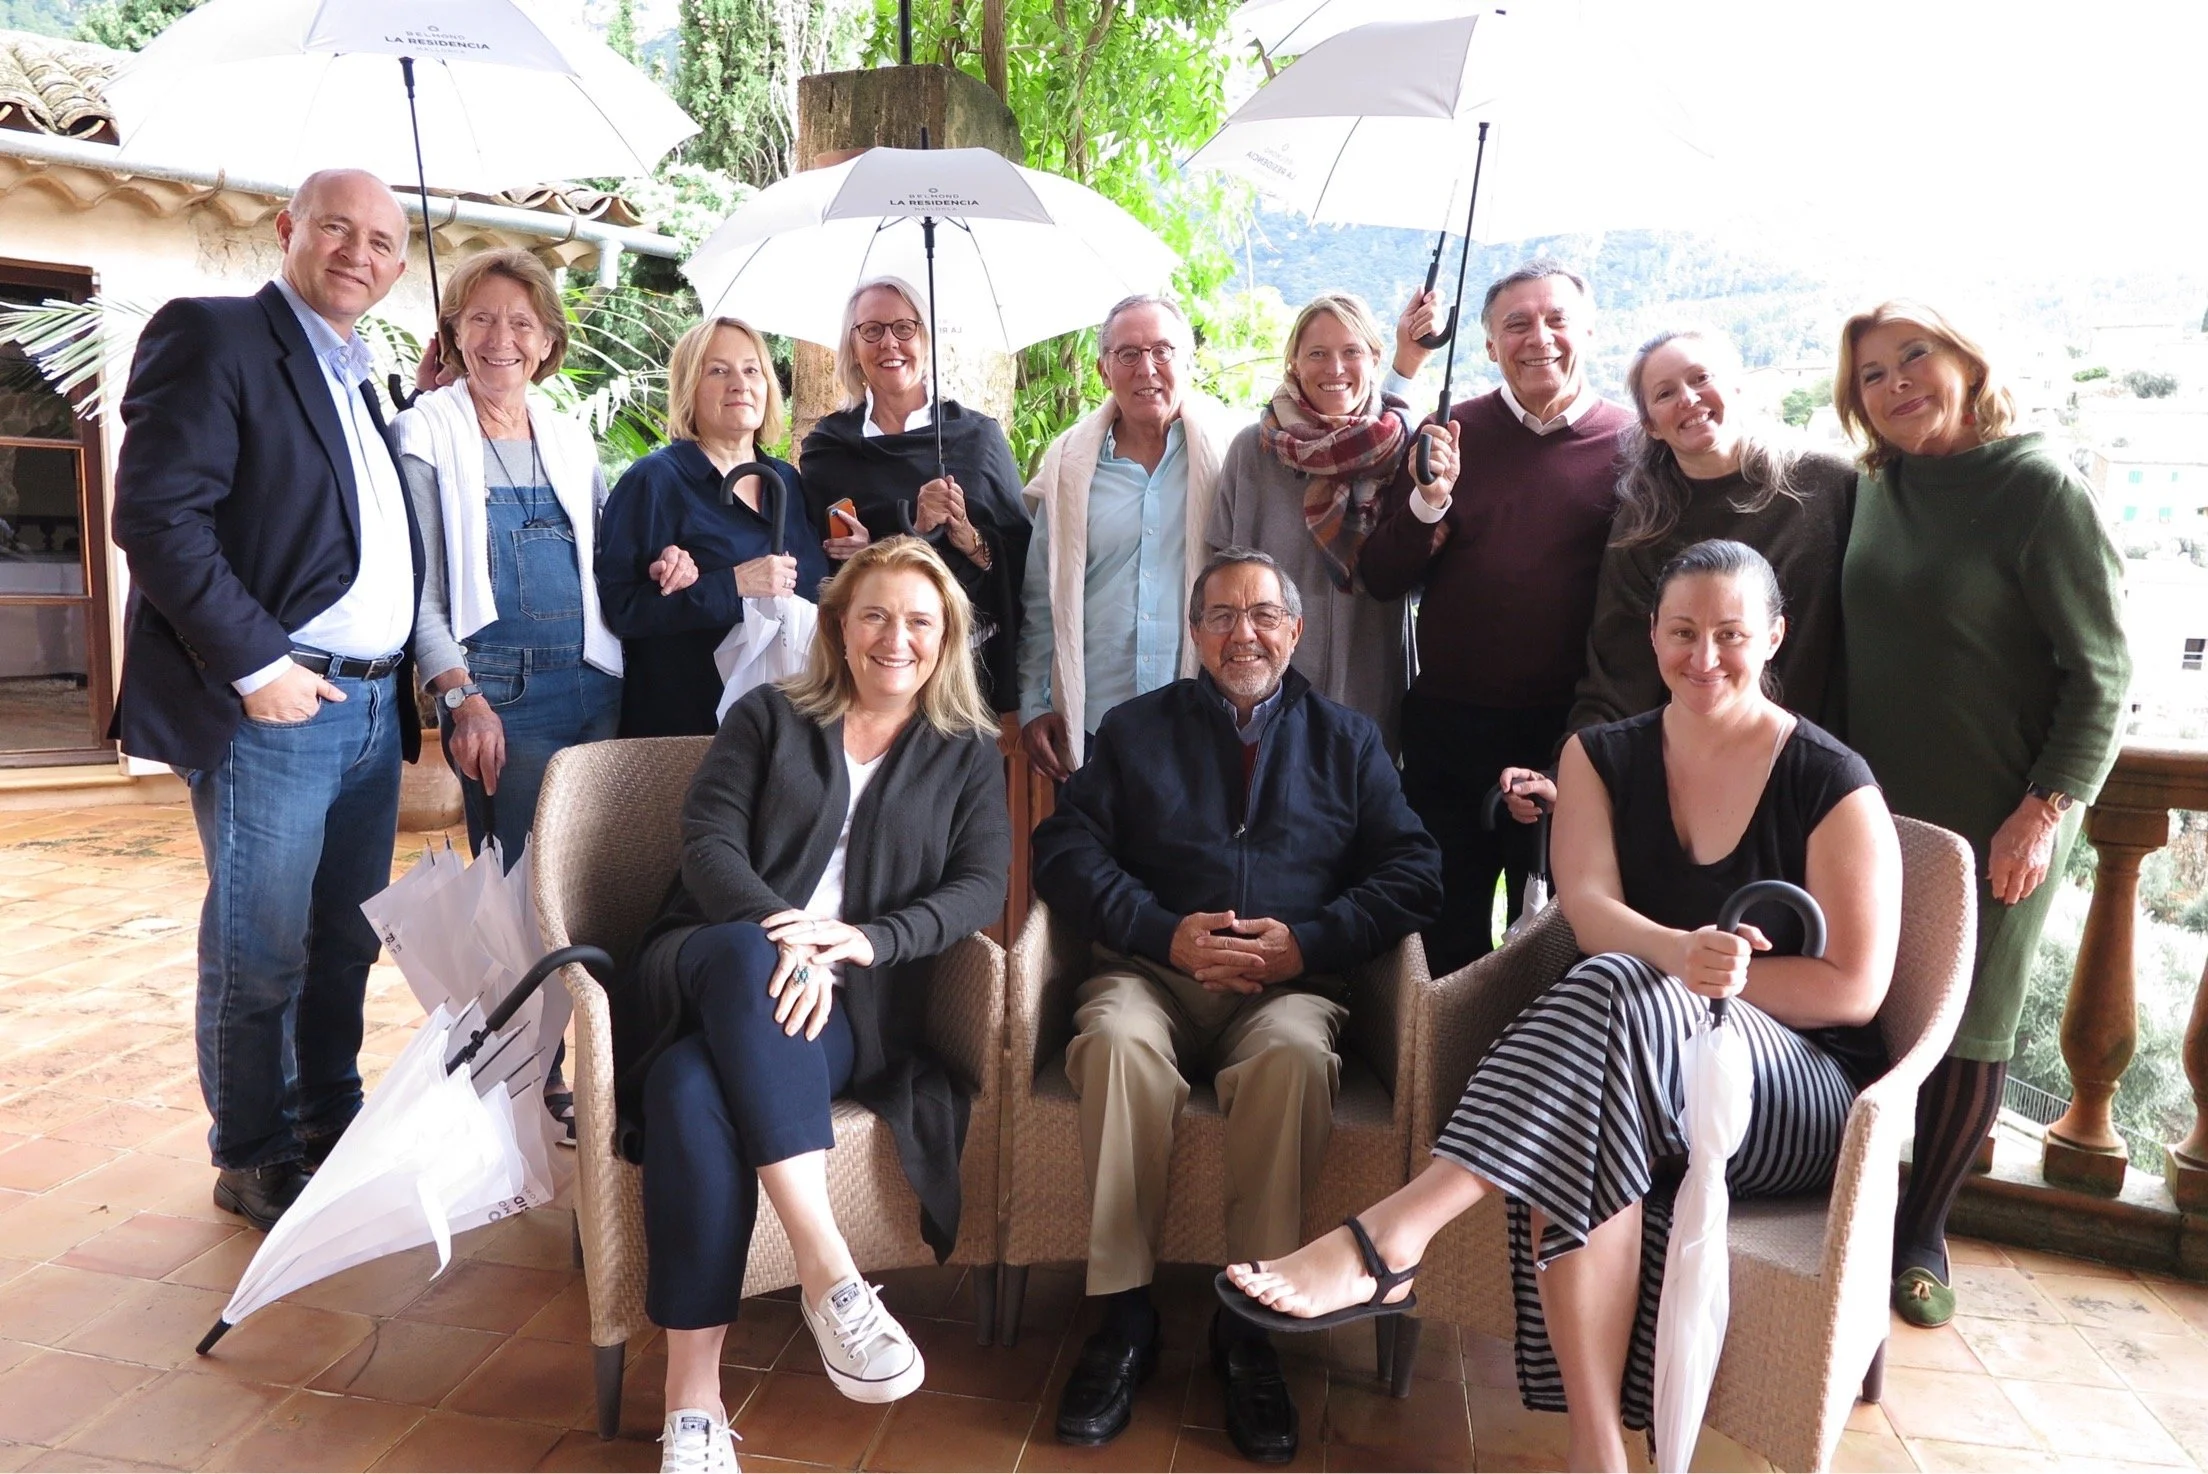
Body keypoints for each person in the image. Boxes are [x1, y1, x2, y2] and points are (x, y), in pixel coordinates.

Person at [1221, 540, 1902, 1473]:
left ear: (1774, 635)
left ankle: (1396, 1233)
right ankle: (1597, 1452)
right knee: (1598, 1086)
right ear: (1651, 635)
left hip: (1795, 1093)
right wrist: (1682, 958)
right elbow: (1588, 911)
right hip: (1636, 1070)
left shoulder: (1830, 780)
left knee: (1620, 992)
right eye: (1683, 633)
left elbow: (1854, 990)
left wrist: (1702, 981)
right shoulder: (1600, 756)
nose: (1705, 657)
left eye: (1732, 635)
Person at [1031, 548, 1443, 1463]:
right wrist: (1160, 928)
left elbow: (1415, 872)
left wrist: (1311, 941)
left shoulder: (1349, 741)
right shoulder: (1136, 730)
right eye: (1220, 615)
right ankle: (1124, 1319)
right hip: (1151, 974)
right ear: (1195, 635)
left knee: (1295, 1058)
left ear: (1294, 632)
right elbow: (1063, 850)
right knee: (1114, 1041)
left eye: (1263, 614)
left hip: (1288, 988)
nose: (1242, 632)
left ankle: (1249, 1327)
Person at [615, 537, 1010, 1474]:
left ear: (947, 635)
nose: (896, 638)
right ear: (838, 624)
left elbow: (980, 887)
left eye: (920, 620)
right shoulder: (767, 717)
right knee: (744, 961)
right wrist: (784, 932)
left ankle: (694, 1409)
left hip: (844, 1005)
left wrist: (870, 941)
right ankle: (829, 1272)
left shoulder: (964, 752)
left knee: (686, 1092)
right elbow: (709, 847)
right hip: (708, 958)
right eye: (875, 614)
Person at [108, 169, 423, 1230]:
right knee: (261, 948)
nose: (359, 252)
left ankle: (329, 1122)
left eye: (383, 241)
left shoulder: (360, 372)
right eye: (337, 227)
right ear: (288, 229)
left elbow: (326, 512)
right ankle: (251, 1152)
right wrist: (259, 671)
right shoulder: (215, 336)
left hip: (374, 710)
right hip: (280, 706)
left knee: (343, 941)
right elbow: (157, 519)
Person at [1835, 301, 2129, 1329]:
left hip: (1993, 817)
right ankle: (1854, 1211)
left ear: (1967, 358)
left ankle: (1923, 1232)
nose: (1897, 383)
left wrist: (2042, 812)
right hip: (1869, 805)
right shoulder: (1880, 485)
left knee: (1971, 1026)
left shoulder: (2042, 489)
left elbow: (2103, 676)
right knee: (1864, 1003)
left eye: (1916, 356)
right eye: (1872, 374)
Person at [1362, 261, 1634, 974]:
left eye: (1556, 321)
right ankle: (1445, 1079)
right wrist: (1429, 500)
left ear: (1589, 332)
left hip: (1576, 728)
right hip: (1451, 728)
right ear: (1488, 345)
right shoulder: (1449, 434)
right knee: (1443, 929)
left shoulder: (1634, 445)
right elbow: (1383, 577)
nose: (1538, 338)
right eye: (1517, 324)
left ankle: (1541, 1081)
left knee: (1563, 934)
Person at [1494, 327, 1856, 823]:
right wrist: (1566, 774)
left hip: (1819, 771)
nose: (1688, 399)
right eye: (1665, 393)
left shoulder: (1829, 488)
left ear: (1737, 389)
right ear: (1651, 424)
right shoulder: (1643, 525)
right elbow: (1618, 674)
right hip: (1695, 776)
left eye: (1701, 378)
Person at [395, 248, 621, 864]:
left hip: (600, 686)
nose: (502, 340)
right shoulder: (424, 433)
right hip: (499, 700)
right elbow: (420, 593)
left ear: (548, 341)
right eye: (481, 320)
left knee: (594, 880)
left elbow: (611, 559)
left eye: (521, 323)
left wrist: (668, 559)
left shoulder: (571, 436)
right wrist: (461, 701)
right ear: (454, 334)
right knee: (519, 890)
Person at [1207, 291, 1452, 754]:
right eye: (1317, 353)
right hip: (1267, 689)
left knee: (1363, 812)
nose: (1335, 369)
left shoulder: (1405, 448)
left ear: (1376, 358)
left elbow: (1423, 576)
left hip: (1370, 679)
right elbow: (1220, 570)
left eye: (1351, 352)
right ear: (1294, 363)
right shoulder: (1253, 450)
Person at [1016, 294, 1245, 779]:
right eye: (1128, 354)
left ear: (1188, 362)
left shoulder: (1230, 456)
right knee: (1093, 854)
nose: (1147, 369)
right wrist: (1034, 701)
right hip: (1095, 722)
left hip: (1204, 713)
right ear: (1103, 371)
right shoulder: (1068, 466)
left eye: (1163, 351)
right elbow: (1041, 595)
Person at [798, 277, 1032, 713]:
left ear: (926, 340)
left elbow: (1023, 559)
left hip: (968, 667)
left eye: (904, 328)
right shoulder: (829, 447)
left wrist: (969, 539)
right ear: (852, 346)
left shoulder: (975, 438)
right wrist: (893, 542)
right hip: (867, 670)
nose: (889, 343)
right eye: (872, 330)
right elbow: (815, 564)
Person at [598, 317, 832, 737]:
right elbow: (620, 612)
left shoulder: (787, 483)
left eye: (751, 369)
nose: (739, 384)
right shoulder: (655, 481)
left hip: (787, 729)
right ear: (690, 388)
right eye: (718, 370)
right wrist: (734, 584)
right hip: (689, 732)